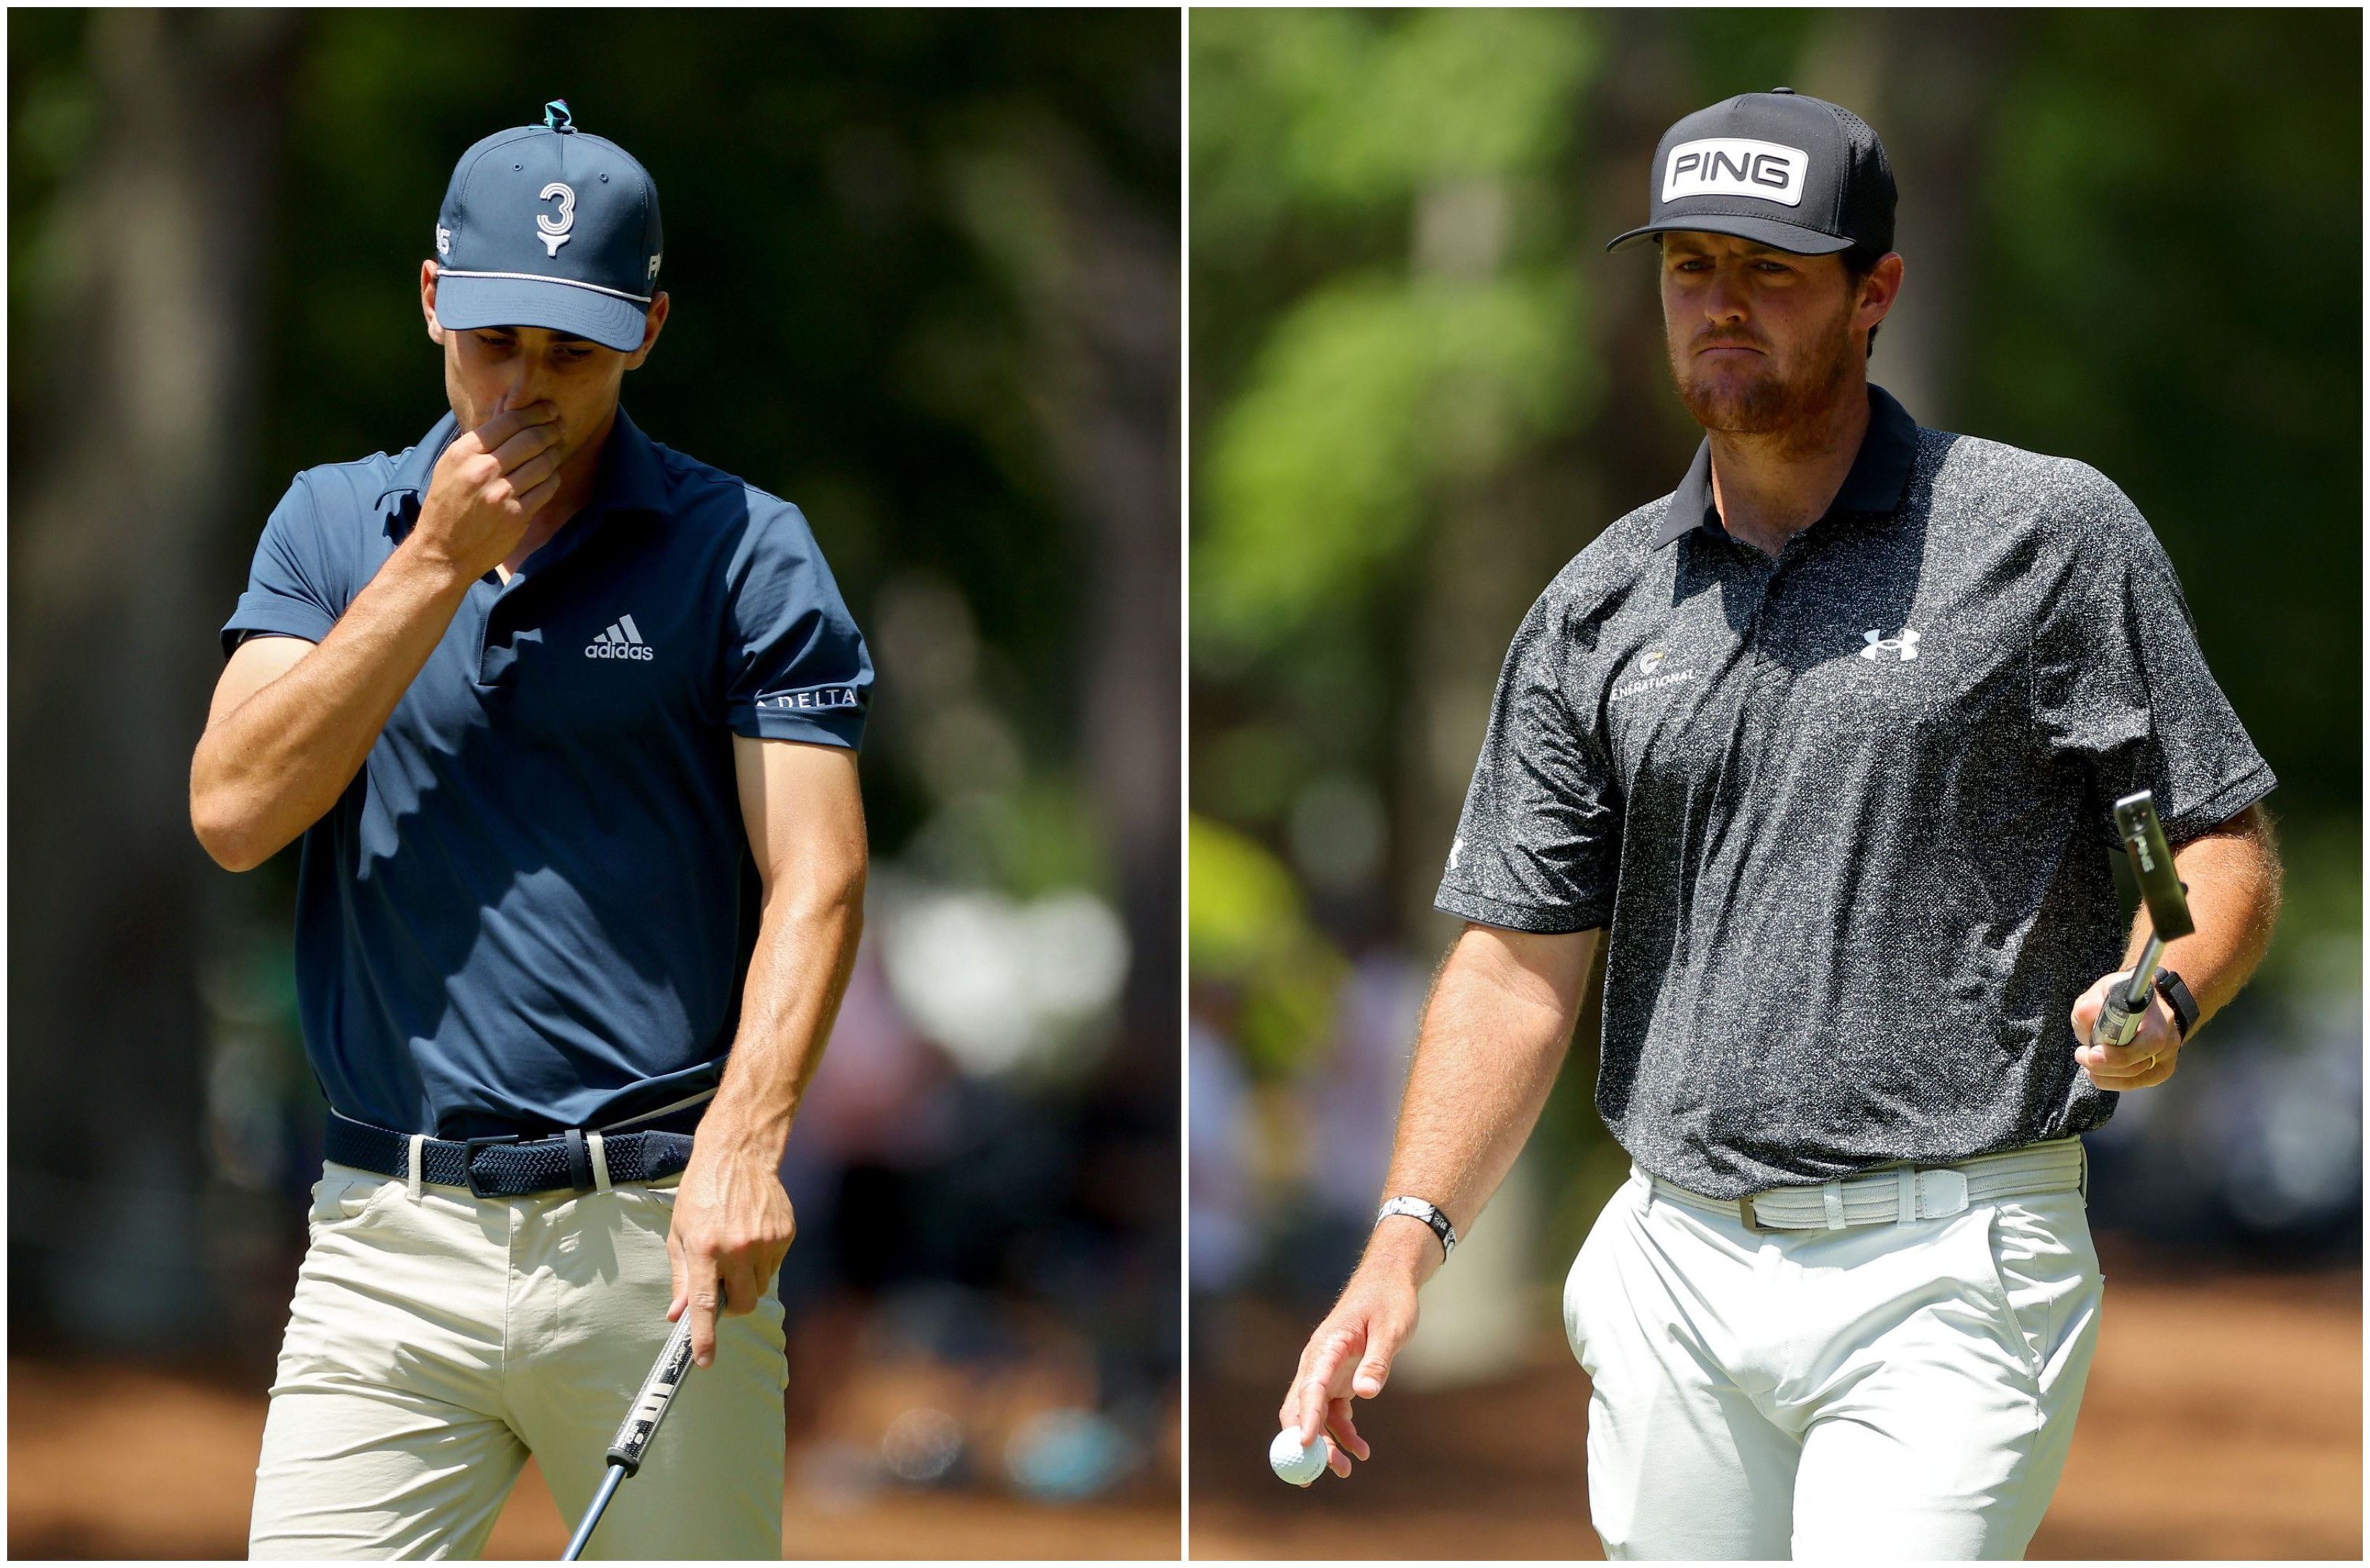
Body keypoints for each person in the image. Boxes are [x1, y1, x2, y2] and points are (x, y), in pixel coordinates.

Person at [1278, 89, 2282, 1560]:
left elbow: (2214, 843)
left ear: (1874, 293)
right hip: (1675, 1266)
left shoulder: (2047, 539)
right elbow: (1513, 967)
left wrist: (2167, 991)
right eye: (1691, 266)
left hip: (1952, 1262)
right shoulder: (1597, 609)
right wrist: (1402, 1240)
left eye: (1771, 271)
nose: (1722, 306)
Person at [191, 102, 872, 1559]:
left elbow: (817, 873)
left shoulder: (747, 548)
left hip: (657, 1235)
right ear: (436, 303)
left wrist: (746, 1151)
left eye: (572, 349)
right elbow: (237, 812)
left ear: (648, 329)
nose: (528, 388)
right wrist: (434, 562)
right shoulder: (329, 526)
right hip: (385, 1241)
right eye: (497, 340)